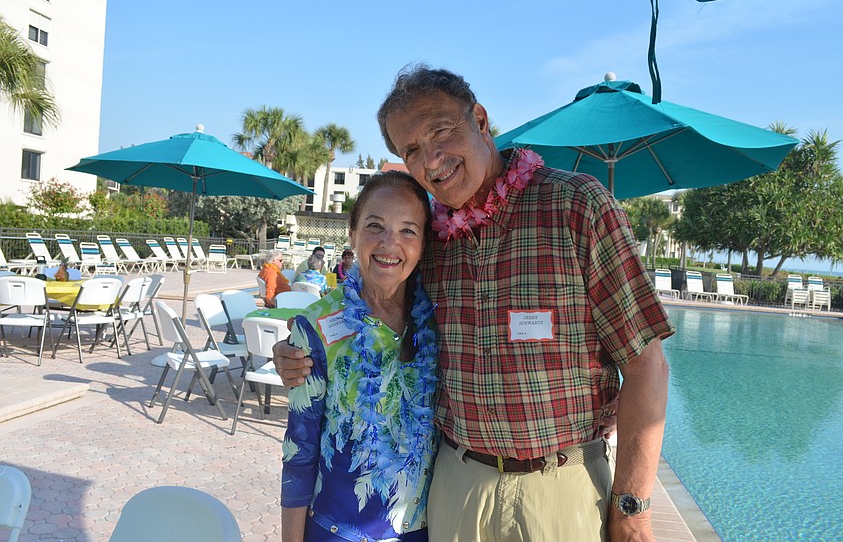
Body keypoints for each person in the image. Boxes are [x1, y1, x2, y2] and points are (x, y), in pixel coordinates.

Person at [275, 65, 674, 542]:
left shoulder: (576, 207)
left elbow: (647, 365)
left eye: (441, 131)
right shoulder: (431, 237)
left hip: (562, 487)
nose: (433, 159)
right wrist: (299, 353)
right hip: (456, 486)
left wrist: (633, 510)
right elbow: (377, 303)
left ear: (480, 120)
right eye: (412, 150)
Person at [280, 170, 438, 542]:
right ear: (352, 234)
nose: (389, 244)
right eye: (375, 226)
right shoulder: (317, 326)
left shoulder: (440, 317)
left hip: (426, 531)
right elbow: (298, 451)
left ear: (424, 242)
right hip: (338, 533)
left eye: (408, 231)